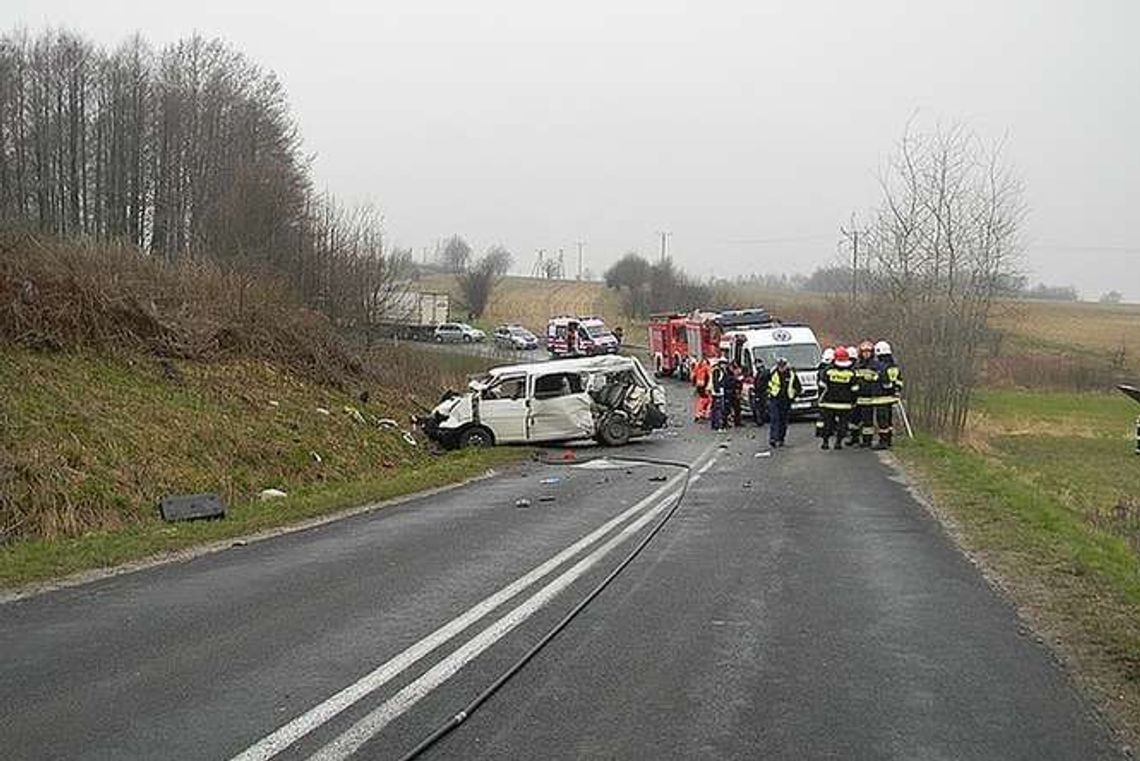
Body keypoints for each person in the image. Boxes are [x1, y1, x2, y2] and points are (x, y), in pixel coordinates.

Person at [818, 346, 856, 450]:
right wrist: (853, 402)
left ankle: (825, 442)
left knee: (828, 423)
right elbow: (854, 389)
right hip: (845, 404)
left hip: (828, 402)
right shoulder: (851, 373)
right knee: (842, 424)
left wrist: (820, 400)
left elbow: (822, 386)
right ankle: (838, 442)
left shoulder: (827, 371)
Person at [870, 340, 903, 449]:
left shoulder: (881, 367)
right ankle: (888, 440)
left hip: (881, 398)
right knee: (888, 419)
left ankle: (883, 441)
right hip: (891, 397)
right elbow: (899, 381)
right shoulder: (894, 366)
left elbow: (881, 380)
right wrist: (896, 389)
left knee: (882, 420)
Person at [766, 356, 801, 448]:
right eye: (780, 366)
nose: (781, 368)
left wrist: (795, 395)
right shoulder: (772, 373)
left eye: (783, 366)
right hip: (774, 399)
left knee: (783, 420)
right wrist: (768, 393)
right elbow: (764, 383)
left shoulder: (791, 374)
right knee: (775, 419)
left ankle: (781, 438)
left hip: (786, 400)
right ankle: (773, 438)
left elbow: (798, 387)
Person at [851, 340, 879, 447]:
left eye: (868, 352)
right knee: (854, 420)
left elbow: (877, 380)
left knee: (868, 421)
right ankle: (854, 438)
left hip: (868, 398)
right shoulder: (857, 366)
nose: (866, 354)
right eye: (864, 352)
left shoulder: (875, 366)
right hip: (856, 398)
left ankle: (867, 440)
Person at [815, 347, 835, 439]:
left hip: (821, 395)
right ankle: (828, 430)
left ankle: (820, 431)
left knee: (822, 415)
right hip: (827, 395)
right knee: (827, 415)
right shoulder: (828, 371)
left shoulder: (820, 369)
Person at [710, 358, 728, 431]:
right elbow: (715, 382)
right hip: (718, 393)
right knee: (719, 409)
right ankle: (718, 425)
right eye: (723, 364)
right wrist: (717, 390)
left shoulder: (721, 371)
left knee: (716, 409)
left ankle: (715, 424)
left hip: (719, 392)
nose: (725, 366)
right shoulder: (717, 371)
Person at [692, 356, 712, 422]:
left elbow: (693, 376)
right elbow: (709, 377)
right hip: (704, 386)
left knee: (703, 400)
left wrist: (694, 384)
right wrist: (708, 387)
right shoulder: (706, 367)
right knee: (705, 400)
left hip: (699, 385)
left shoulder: (698, 367)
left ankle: (701, 414)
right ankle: (700, 414)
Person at [726, 362, 744, 428]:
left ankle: (737, 421)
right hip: (731, 394)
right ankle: (731, 422)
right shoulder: (729, 376)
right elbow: (729, 383)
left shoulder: (735, 375)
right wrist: (736, 380)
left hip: (735, 393)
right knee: (731, 408)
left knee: (737, 408)